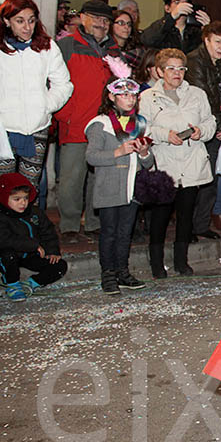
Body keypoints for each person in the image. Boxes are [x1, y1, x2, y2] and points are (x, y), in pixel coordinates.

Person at [140, 48, 217, 278]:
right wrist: (165, 134)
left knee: (186, 215)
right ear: (160, 71)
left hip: (191, 162)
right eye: (171, 68)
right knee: (161, 215)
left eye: (181, 68)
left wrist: (199, 131)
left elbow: (210, 122)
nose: (177, 73)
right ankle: (156, 263)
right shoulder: (148, 97)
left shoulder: (197, 94)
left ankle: (181, 261)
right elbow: (143, 127)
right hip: (165, 162)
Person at [0, 0, 72, 187]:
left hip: (37, 128)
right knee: (3, 187)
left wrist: (45, 106)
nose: (27, 27)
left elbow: (64, 84)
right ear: (7, 21)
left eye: (31, 21)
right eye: (20, 21)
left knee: (28, 188)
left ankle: (27, 218)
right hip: (3, 128)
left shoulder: (47, 46)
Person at [55, 0, 121, 241]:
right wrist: (64, 114)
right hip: (76, 123)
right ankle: (70, 225)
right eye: (95, 18)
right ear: (82, 18)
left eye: (105, 20)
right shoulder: (67, 45)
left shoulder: (114, 51)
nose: (101, 24)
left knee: (98, 178)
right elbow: (52, 82)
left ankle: (93, 222)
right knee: (72, 178)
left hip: (104, 125)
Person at [85, 71, 154, 293]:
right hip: (109, 188)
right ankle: (108, 275)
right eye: (123, 95)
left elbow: (148, 163)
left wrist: (144, 153)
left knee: (125, 232)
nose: (129, 98)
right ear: (112, 97)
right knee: (109, 232)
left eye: (132, 95)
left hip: (131, 188)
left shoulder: (140, 124)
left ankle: (122, 271)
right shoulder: (100, 123)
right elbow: (92, 156)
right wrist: (118, 151)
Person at [185, 21, 221, 238]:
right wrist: (220, 125)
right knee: (195, 181)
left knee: (212, 180)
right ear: (206, 39)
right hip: (201, 128)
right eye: (217, 42)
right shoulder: (194, 60)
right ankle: (187, 227)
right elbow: (203, 95)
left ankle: (200, 225)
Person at [0, 173, 67, 302]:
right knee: (8, 256)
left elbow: (48, 231)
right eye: (16, 199)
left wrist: (52, 251)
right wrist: (33, 245)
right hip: (6, 254)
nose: (23, 203)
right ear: (4, 197)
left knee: (59, 265)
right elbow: (3, 240)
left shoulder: (34, 212)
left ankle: (31, 284)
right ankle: (12, 285)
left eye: (25, 198)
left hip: (30, 254)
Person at [140, 0, 208, 54]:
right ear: (167, 8)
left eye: (186, 3)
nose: (181, 6)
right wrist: (172, 17)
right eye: (177, 2)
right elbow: (146, 40)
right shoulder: (161, 27)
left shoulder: (195, 31)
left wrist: (208, 31)